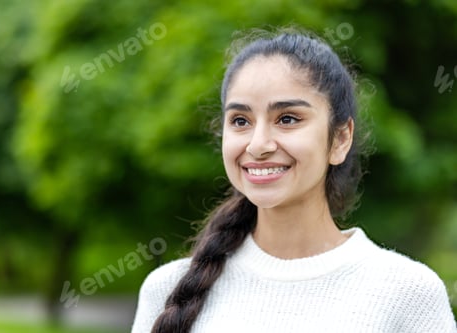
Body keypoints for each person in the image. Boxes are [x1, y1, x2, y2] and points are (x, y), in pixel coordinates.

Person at [131, 28, 457, 332]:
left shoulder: (407, 294)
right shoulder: (166, 290)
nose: (258, 144)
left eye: (287, 119)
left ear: (340, 139)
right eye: (241, 120)